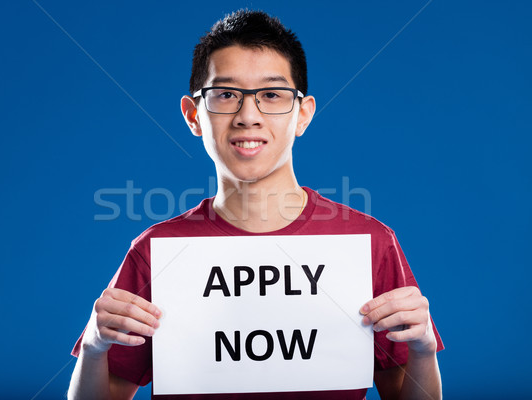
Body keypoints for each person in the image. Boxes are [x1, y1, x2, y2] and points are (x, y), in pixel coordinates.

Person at [68, 9, 443, 400]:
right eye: (226, 95)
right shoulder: (157, 252)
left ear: (303, 114)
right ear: (193, 115)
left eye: (272, 95)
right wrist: (94, 347)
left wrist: (423, 350)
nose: (249, 116)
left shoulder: (369, 243)